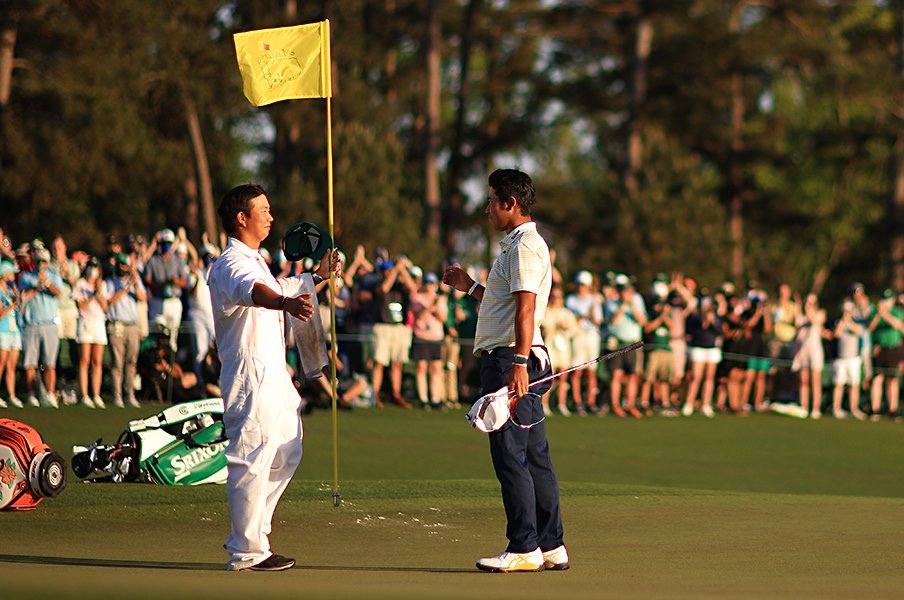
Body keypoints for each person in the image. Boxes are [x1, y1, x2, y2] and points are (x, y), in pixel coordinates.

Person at [207, 183, 338, 572]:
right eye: (262, 210)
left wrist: (317, 278)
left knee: (287, 447)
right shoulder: (231, 262)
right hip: (249, 372)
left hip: (274, 371)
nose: (270, 216)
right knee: (252, 455)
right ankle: (246, 550)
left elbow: (278, 286)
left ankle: (256, 532)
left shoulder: (255, 258)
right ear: (241, 218)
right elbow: (257, 292)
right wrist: (283, 302)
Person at [443, 168, 567, 573]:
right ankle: (550, 546)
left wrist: (516, 361)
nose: (486, 209)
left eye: (491, 200)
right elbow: (505, 304)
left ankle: (524, 547)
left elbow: (527, 307)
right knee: (534, 454)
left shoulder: (524, 247)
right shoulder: (517, 246)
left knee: (511, 457)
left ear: (509, 204)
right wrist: (471, 287)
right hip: (518, 358)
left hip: (510, 361)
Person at [18, 245, 64, 408]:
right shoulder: (25, 276)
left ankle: (50, 394)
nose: (41, 264)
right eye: (38, 261)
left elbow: (59, 293)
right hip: (32, 324)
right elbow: (23, 297)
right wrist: (37, 286)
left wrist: (47, 282)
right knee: (30, 363)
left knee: (50, 363)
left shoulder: (54, 275)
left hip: (49, 324)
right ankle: (32, 394)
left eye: (44, 261)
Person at [104, 252, 146, 408]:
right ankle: (117, 395)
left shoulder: (135, 282)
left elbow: (143, 298)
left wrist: (134, 283)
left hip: (132, 326)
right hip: (117, 325)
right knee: (117, 363)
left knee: (131, 362)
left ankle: (129, 394)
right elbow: (111, 300)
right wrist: (126, 287)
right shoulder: (109, 282)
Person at [71, 257, 108, 408]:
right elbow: (81, 306)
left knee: (97, 361)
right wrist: (93, 295)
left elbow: (105, 307)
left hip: (99, 323)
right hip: (85, 323)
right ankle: (85, 395)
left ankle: (96, 395)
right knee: (84, 360)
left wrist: (99, 293)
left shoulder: (102, 285)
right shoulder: (80, 284)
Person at [143, 228, 188, 348]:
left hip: (173, 301)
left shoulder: (179, 260)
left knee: (173, 337)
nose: (166, 246)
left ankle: (170, 364)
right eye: (164, 243)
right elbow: (147, 280)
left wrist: (175, 282)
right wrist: (161, 284)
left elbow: (184, 282)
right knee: (158, 334)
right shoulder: (153, 260)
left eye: (169, 243)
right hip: (158, 300)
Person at [565, 270, 602, 414]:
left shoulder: (594, 300)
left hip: (591, 336)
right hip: (578, 335)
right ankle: (577, 401)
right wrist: (582, 316)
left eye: (584, 285)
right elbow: (570, 321)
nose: (582, 287)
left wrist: (591, 315)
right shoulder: (571, 300)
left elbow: (598, 322)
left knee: (591, 372)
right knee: (577, 370)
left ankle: (590, 402)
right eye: (580, 284)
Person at [409, 272, 448, 409]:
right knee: (421, 367)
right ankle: (423, 398)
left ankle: (435, 398)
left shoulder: (440, 299)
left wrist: (436, 306)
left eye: (432, 284)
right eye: (427, 283)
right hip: (421, 336)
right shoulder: (418, 298)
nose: (430, 286)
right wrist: (430, 306)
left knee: (436, 368)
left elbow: (443, 317)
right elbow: (419, 315)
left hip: (436, 337)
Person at [868, 289, 904, 419]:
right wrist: (879, 315)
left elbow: (898, 325)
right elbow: (869, 328)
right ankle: (875, 409)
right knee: (877, 378)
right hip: (879, 349)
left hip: (893, 348)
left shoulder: (898, 312)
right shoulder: (875, 313)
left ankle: (893, 409)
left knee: (892, 379)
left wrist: (885, 315)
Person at [791, 293, 826, 418]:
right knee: (803, 380)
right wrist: (798, 306)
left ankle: (816, 408)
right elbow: (796, 322)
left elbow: (816, 323)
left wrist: (809, 311)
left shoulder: (819, 314)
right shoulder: (803, 317)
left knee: (815, 380)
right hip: (803, 350)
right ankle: (804, 406)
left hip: (815, 350)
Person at [0, 260, 23, 408]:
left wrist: (20, 302)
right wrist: (11, 305)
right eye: (10, 273)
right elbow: (1, 314)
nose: (13, 276)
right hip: (3, 331)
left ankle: (12, 395)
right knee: (1, 364)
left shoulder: (10, 290)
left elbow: (18, 310)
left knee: (12, 366)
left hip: (14, 331)